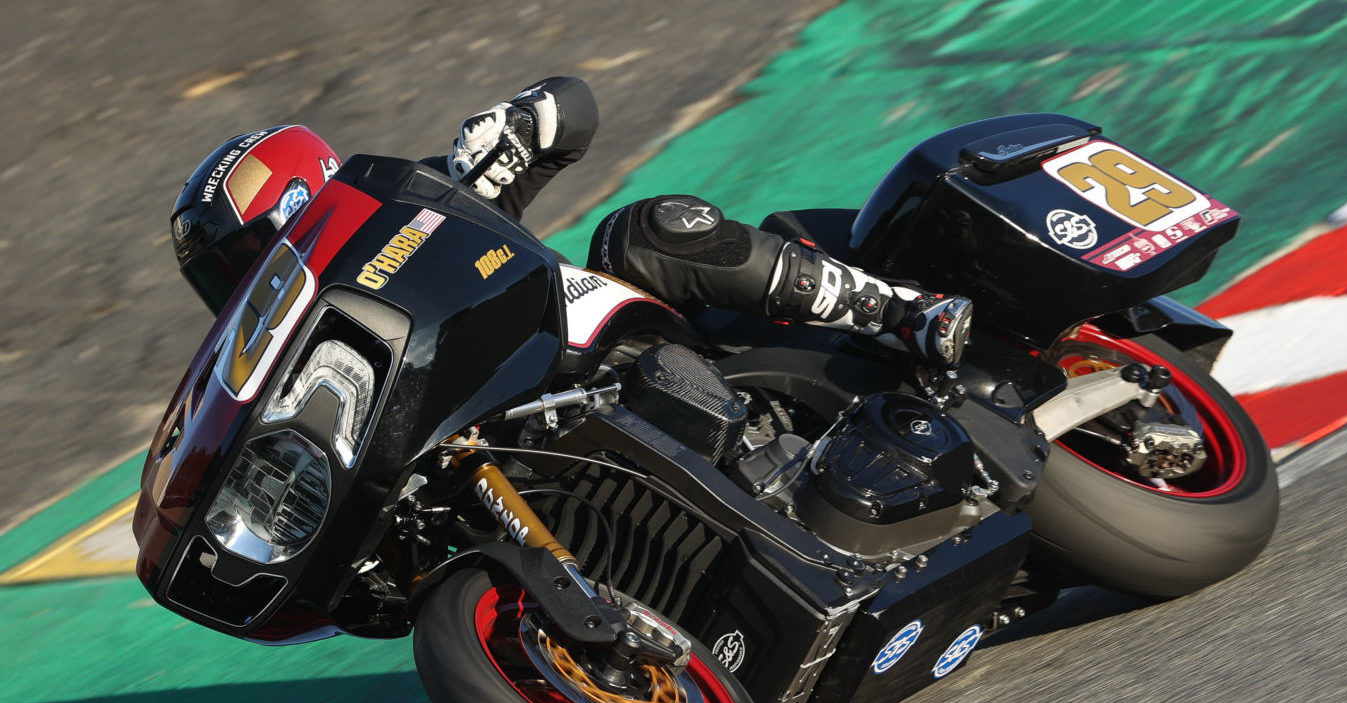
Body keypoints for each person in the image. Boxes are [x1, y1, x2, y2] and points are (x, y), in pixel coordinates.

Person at [168, 76, 969, 367]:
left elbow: (575, 105)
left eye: (243, 258)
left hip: (616, 351)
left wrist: (526, 120)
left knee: (638, 233)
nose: (242, 287)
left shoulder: (424, 204)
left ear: (302, 201)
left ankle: (902, 312)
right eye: (223, 279)